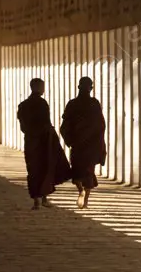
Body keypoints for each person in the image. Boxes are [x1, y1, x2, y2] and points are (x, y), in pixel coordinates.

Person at [17, 78, 71, 210]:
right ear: (38, 87)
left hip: (30, 141)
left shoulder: (23, 105)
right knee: (45, 168)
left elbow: (23, 126)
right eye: (42, 86)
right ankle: (45, 198)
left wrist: (31, 133)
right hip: (43, 141)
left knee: (33, 169)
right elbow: (46, 123)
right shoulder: (42, 104)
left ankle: (36, 200)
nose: (43, 89)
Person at [60, 76, 107, 209]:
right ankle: (84, 196)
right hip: (89, 144)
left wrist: (69, 140)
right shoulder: (94, 103)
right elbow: (101, 125)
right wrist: (100, 143)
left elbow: (65, 125)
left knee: (78, 170)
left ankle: (82, 192)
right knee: (87, 171)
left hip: (78, 143)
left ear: (79, 87)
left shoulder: (72, 104)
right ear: (90, 88)